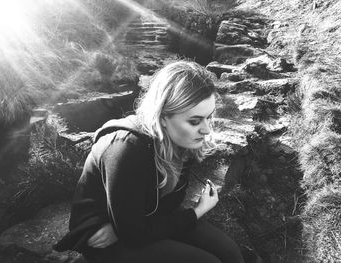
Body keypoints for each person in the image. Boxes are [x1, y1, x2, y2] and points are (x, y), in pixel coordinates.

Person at [54, 61, 245, 263]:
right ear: (163, 117)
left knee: (230, 253)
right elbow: (134, 236)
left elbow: (168, 206)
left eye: (209, 117)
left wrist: (129, 228)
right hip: (103, 239)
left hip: (142, 222)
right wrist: (197, 212)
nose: (207, 129)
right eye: (195, 121)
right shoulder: (126, 148)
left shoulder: (181, 139)